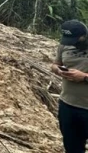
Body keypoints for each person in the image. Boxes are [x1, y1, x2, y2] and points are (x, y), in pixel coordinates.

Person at [50, 20, 88, 153]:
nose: (70, 43)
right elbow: (55, 63)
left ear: (84, 36)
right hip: (67, 105)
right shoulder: (64, 45)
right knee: (72, 148)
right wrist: (58, 70)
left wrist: (84, 77)